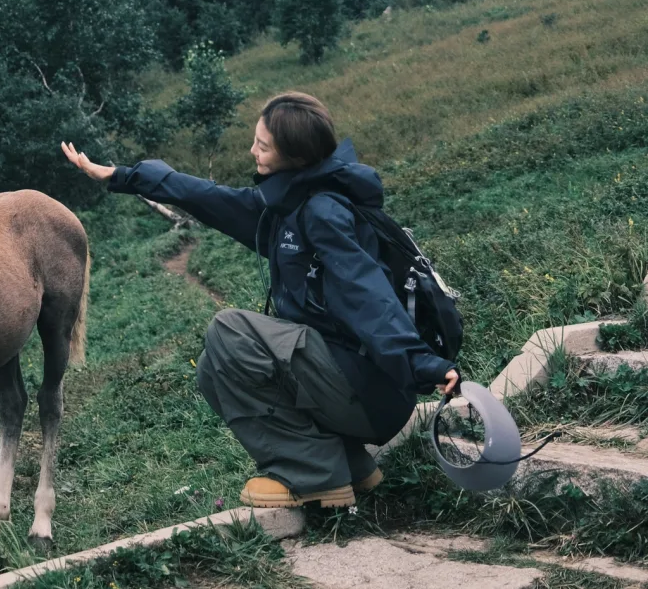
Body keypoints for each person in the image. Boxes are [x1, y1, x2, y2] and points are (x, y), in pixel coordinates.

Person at [62, 91, 459, 510]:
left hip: (374, 392)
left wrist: (423, 364)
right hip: (354, 383)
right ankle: (351, 465)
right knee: (214, 371)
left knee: (230, 331)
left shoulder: (322, 213)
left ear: (295, 156)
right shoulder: (286, 204)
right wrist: (120, 176)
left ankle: (316, 478)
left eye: (263, 145)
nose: (252, 150)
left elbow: (369, 295)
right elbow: (204, 195)